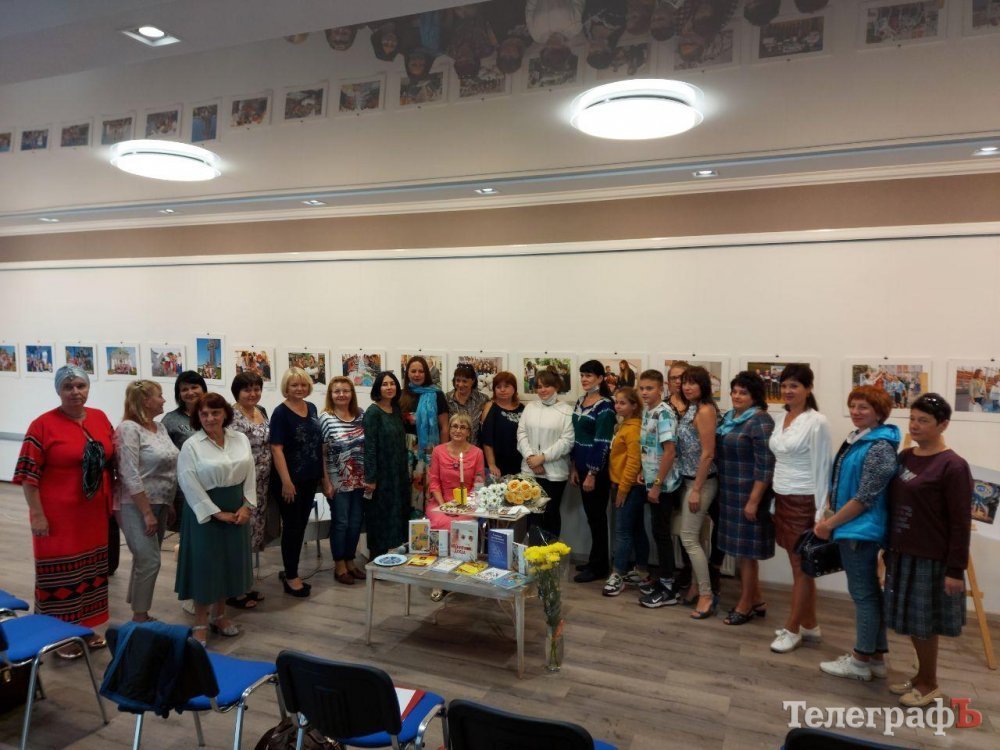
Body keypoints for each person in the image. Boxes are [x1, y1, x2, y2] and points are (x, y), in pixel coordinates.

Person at [14, 365, 113, 656]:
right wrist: (37, 514)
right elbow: (27, 476)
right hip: (57, 517)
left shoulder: (99, 417)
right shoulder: (42, 425)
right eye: (68, 387)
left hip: (92, 514)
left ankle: (85, 629)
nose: (75, 392)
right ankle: (58, 635)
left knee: (90, 571)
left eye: (80, 385)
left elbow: (112, 458)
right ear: (58, 390)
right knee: (61, 576)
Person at [884, 394, 972, 707]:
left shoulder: (953, 466)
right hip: (902, 551)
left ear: (943, 425)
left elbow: (960, 522)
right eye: (912, 419)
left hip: (931, 557)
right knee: (911, 621)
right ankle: (921, 676)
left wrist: (955, 569)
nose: (915, 425)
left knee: (924, 625)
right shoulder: (905, 456)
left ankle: (929, 684)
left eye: (924, 421)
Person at [813, 386, 900, 681]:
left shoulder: (879, 447)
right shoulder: (861, 439)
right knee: (869, 594)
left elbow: (865, 498)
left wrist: (829, 524)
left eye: (863, 407)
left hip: (860, 530)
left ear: (879, 412)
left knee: (863, 595)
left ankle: (860, 661)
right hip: (853, 527)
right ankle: (875, 659)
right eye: (853, 405)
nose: (856, 411)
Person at [174, 393, 256, 644]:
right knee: (206, 567)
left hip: (237, 509)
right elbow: (188, 481)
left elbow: (250, 473)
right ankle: (200, 622)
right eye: (204, 414)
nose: (210, 418)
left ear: (225, 414)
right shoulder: (192, 445)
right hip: (205, 512)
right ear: (198, 417)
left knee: (228, 565)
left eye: (215, 412)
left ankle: (220, 616)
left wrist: (247, 506)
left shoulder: (240, 439)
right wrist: (215, 512)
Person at [769, 364, 832, 654]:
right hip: (783, 497)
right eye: (784, 385)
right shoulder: (781, 417)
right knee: (800, 567)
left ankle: (793, 629)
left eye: (794, 385)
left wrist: (821, 511)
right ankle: (810, 625)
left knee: (801, 569)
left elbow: (823, 467)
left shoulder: (817, 421)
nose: (788, 390)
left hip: (805, 500)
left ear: (808, 389)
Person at [113, 380, 178, 623]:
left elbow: (168, 467)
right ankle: (140, 617)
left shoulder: (159, 427)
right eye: (159, 395)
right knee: (150, 560)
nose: (163, 400)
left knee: (145, 558)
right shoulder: (128, 429)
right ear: (145, 401)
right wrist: (146, 512)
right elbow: (129, 473)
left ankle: (137, 607)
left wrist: (169, 503)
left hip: (161, 502)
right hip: (135, 505)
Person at [715, 371, 776, 626]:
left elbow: (766, 466)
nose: (737, 396)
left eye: (744, 393)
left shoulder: (760, 420)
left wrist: (754, 500)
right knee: (741, 552)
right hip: (730, 492)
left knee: (747, 554)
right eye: (735, 391)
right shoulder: (730, 417)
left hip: (750, 494)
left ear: (755, 396)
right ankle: (757, 599)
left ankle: (746, 605)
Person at [269, 367, 324, 597]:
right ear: (286, 387)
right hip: (289, 481)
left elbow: (317, 443)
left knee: (300, 526)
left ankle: (290, 569)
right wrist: (286, 481)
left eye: (303, 384)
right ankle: (291, 576)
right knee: (292, 527)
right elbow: (276, 448)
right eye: (294, 385)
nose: (299, 388)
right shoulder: (280, 413)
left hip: (309, 478)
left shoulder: (311, 408)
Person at [636, 368, 685, 608]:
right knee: (657, 532)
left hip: (664, 485)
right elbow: (649, 446)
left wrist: (656, 485)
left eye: (650, 388)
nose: (645, 392)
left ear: (661, 389)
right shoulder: (649, 410)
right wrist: (642, 472)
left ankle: (668, 587)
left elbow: (669, 452)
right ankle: (663, 579)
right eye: (642, 388)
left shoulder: (664, 413)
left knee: (662, 534)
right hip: (651, 480)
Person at [675, 366, 720, 619]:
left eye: (693, 383)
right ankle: (694, 586)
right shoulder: (691, 408)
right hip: (687, 480)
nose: (687, 387)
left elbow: (708, 453)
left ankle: (706, 595)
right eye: (685, 382)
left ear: (703, 385)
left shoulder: (705, 410)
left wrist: (696, 490)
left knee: (689, 538)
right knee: (696, 538)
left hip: (701, 483)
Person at [228, 371, 272, 608]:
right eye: (247, 389)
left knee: (252, 536)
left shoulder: (261, 411)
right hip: (242, 483)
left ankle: (245, 584)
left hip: (261, 484)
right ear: (237, 392)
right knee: (239, 536)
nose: (253, 393)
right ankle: (234, 591)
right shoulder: (231, 415)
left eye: (256, 389)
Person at [570, 360, 616, 583]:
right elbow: (574, 436)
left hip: (596, 471)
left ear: (600, 378)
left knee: (597, 518)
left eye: (589, 375)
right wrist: (573, 467)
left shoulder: (605, 406)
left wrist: (592, 473)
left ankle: (599, 566)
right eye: (582, 375)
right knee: (591, 517)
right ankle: (594, 560)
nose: (584, 379)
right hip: (580, 466)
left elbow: (602, 442)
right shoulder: (580, 401)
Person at [319, 376, 367, 585]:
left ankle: (350, 561)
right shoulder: (326, 418)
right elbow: (321, 453)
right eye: (337, 391)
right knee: (341, 522)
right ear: (331, 395)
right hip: (337, 480)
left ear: (352, 393)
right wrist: (326, 482)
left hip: (360, 479)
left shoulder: (360, 415)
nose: (341, 394)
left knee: (356, 522)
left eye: (346, 391)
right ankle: (339, 565)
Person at [516, 367, 575, 536]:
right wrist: (531, 458)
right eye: (539, 386)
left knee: (550, 513)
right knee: (532, 514)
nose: (542, 390)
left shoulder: (566, 411)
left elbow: (567, 441)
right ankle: (533, 550)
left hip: (555, 472)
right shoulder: (530, 408)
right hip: (529, 470)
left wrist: (542, 458)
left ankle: (551, 551)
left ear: (556, 386)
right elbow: (521, 434)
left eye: (547, 386)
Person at [602, 386, 647, 596]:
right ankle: (642, 570)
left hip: (628, 487)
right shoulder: (624, 425)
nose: (617, 406)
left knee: (623, 533)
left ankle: (617, 574)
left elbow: (633, 462)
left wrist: (623, 489)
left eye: (623, 403)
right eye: (616, 402)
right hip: (624, 486)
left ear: (634, 406)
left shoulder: (633, 429)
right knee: (636, 528)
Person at [363, 371, 411, 558]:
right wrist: (371, 478)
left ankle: (394, 557)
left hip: (397, 473)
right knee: (380, 517)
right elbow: (369, 447)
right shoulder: (373, 412)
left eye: (392, 383)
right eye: (385, 384)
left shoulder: (396, 409)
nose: (389, 387)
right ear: (378, 388)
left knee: (396, 514)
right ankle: (376, 559)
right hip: (381, 475)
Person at [399, 356, 450, 515]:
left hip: (429, 449)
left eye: (421, 371)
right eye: (413, 371)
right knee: (407, 489)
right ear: (407, 373)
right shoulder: (401, 395)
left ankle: (428, 522)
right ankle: (409, 525)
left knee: (429, 486)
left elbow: (444, 427)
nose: (417, 374)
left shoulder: (437, 395)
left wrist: (443, 453)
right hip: (406, 449)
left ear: (426, 373)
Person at [427, 413, 485, 528]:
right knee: (441, 522)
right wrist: (444, 507)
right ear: (449, 429)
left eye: (462, 427)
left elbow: (478, 485)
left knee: (460, 525)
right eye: (455, 426)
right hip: (441, 501)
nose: (458, 430)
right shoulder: (438, 451)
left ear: (469, 432)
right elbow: (434, 483)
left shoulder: (477, 453)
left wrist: (464, 506)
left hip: (468, 504)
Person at [480, 371, 525, 479]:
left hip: (519, 463)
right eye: (498, 387)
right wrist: (492, 464)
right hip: (496, 465)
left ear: (514, 388)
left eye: (506, 386)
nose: (502, 390)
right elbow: (486, 439)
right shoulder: (490, 407)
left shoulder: (522, 408)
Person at [446, 363, 489, 444]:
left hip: (475, 448)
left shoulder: (483, 399)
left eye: (464, 381)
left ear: (473, 381)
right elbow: (443, 427)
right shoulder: (447, 399)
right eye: (458, 380)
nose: (460, 385)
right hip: (452, 447)